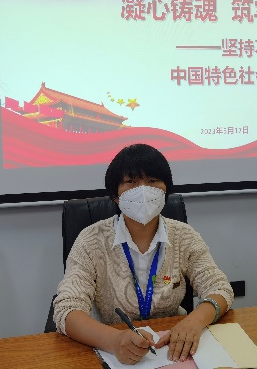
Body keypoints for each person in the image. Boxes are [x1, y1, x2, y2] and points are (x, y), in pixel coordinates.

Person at [53, 143, 234, 365]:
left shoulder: (184, 236)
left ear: (165, 190)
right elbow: (66, 310)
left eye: (152, 181)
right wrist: (114, 340)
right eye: (131, 182)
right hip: (112, 347)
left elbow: (220, 288)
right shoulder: (91, 239)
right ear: (115, 195)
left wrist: (193, 321)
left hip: (172, 345)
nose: (143, 190)